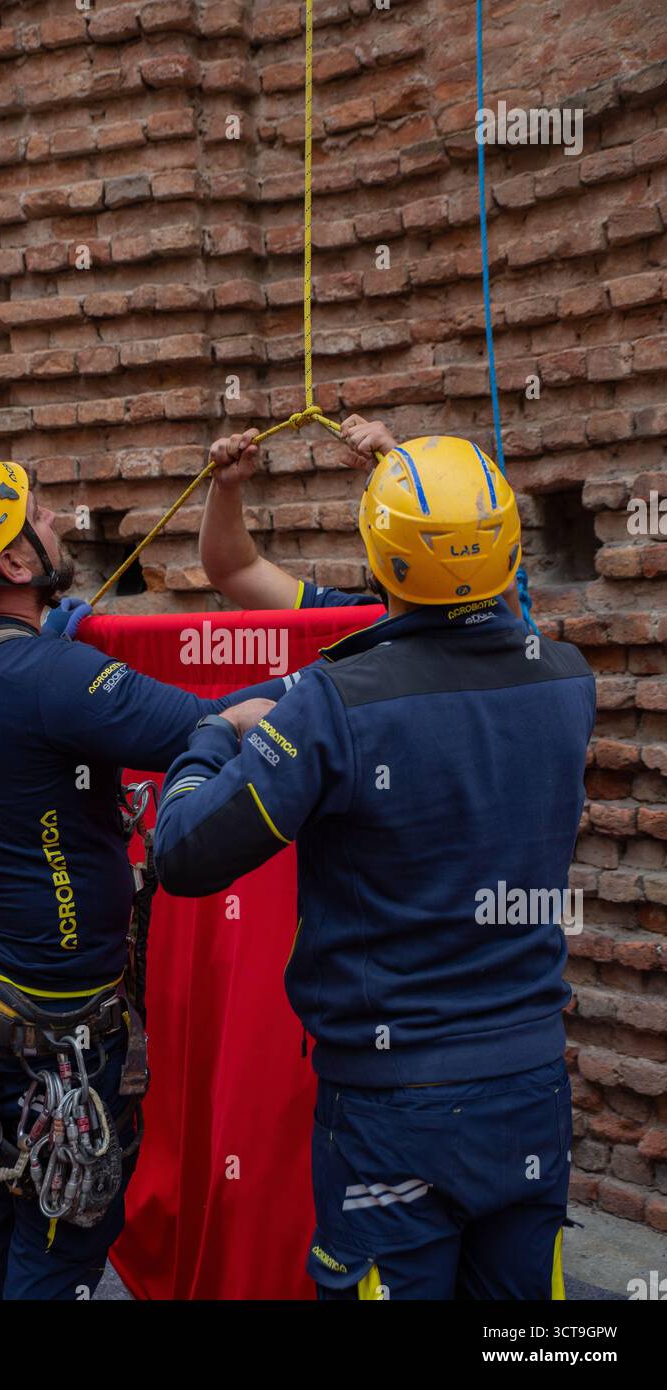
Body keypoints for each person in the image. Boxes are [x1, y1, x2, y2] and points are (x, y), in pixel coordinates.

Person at [154, 435, 595, 1300]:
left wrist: (210, 738)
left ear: (379, 556)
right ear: (509, 544)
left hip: (397, 1107)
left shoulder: (336, 704)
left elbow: (184, 855)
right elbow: (475, 635)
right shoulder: (566, 681)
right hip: (531, 1084)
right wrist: (425, 498)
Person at [0, 453, 287, 1301]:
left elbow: (25, 676)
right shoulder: (53, 679)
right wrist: (314, 688)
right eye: (40, 512)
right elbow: (207, 724)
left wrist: (53, 633)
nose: (60, 518)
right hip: (59, 1027)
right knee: (69, 1226)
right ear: (16, 562)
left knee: (7, 1199)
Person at [199, 415, 523, 618]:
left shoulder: (356, 634)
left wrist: (226, 489)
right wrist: (405, 473)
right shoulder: (532, 657)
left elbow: (235, 571)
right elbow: (236, 569)